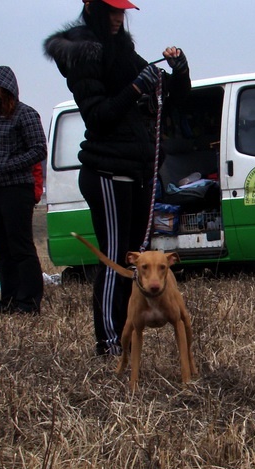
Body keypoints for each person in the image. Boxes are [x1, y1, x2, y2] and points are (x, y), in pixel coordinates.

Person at [44, 0, 190, 356]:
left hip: (139, 171)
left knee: (136, 261)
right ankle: (109, 343)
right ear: (92, 8)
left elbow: (173, 95)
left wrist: (180, 69)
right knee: (113, 260)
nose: (117, 19)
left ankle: (127, 336)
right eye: (111, 12)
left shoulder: (123, 51)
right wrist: (136, 89)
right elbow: (99, 117)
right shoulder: (83, 55)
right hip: (107, 173)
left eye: (121, 13)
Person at [0, 65, 48, 315]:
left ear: (7, 89)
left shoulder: (26, 114)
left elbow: (39, 150)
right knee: (0, 248)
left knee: (20, 246)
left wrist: (5, 165)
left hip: (17, 188)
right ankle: (9, 299)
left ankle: (29, 302)